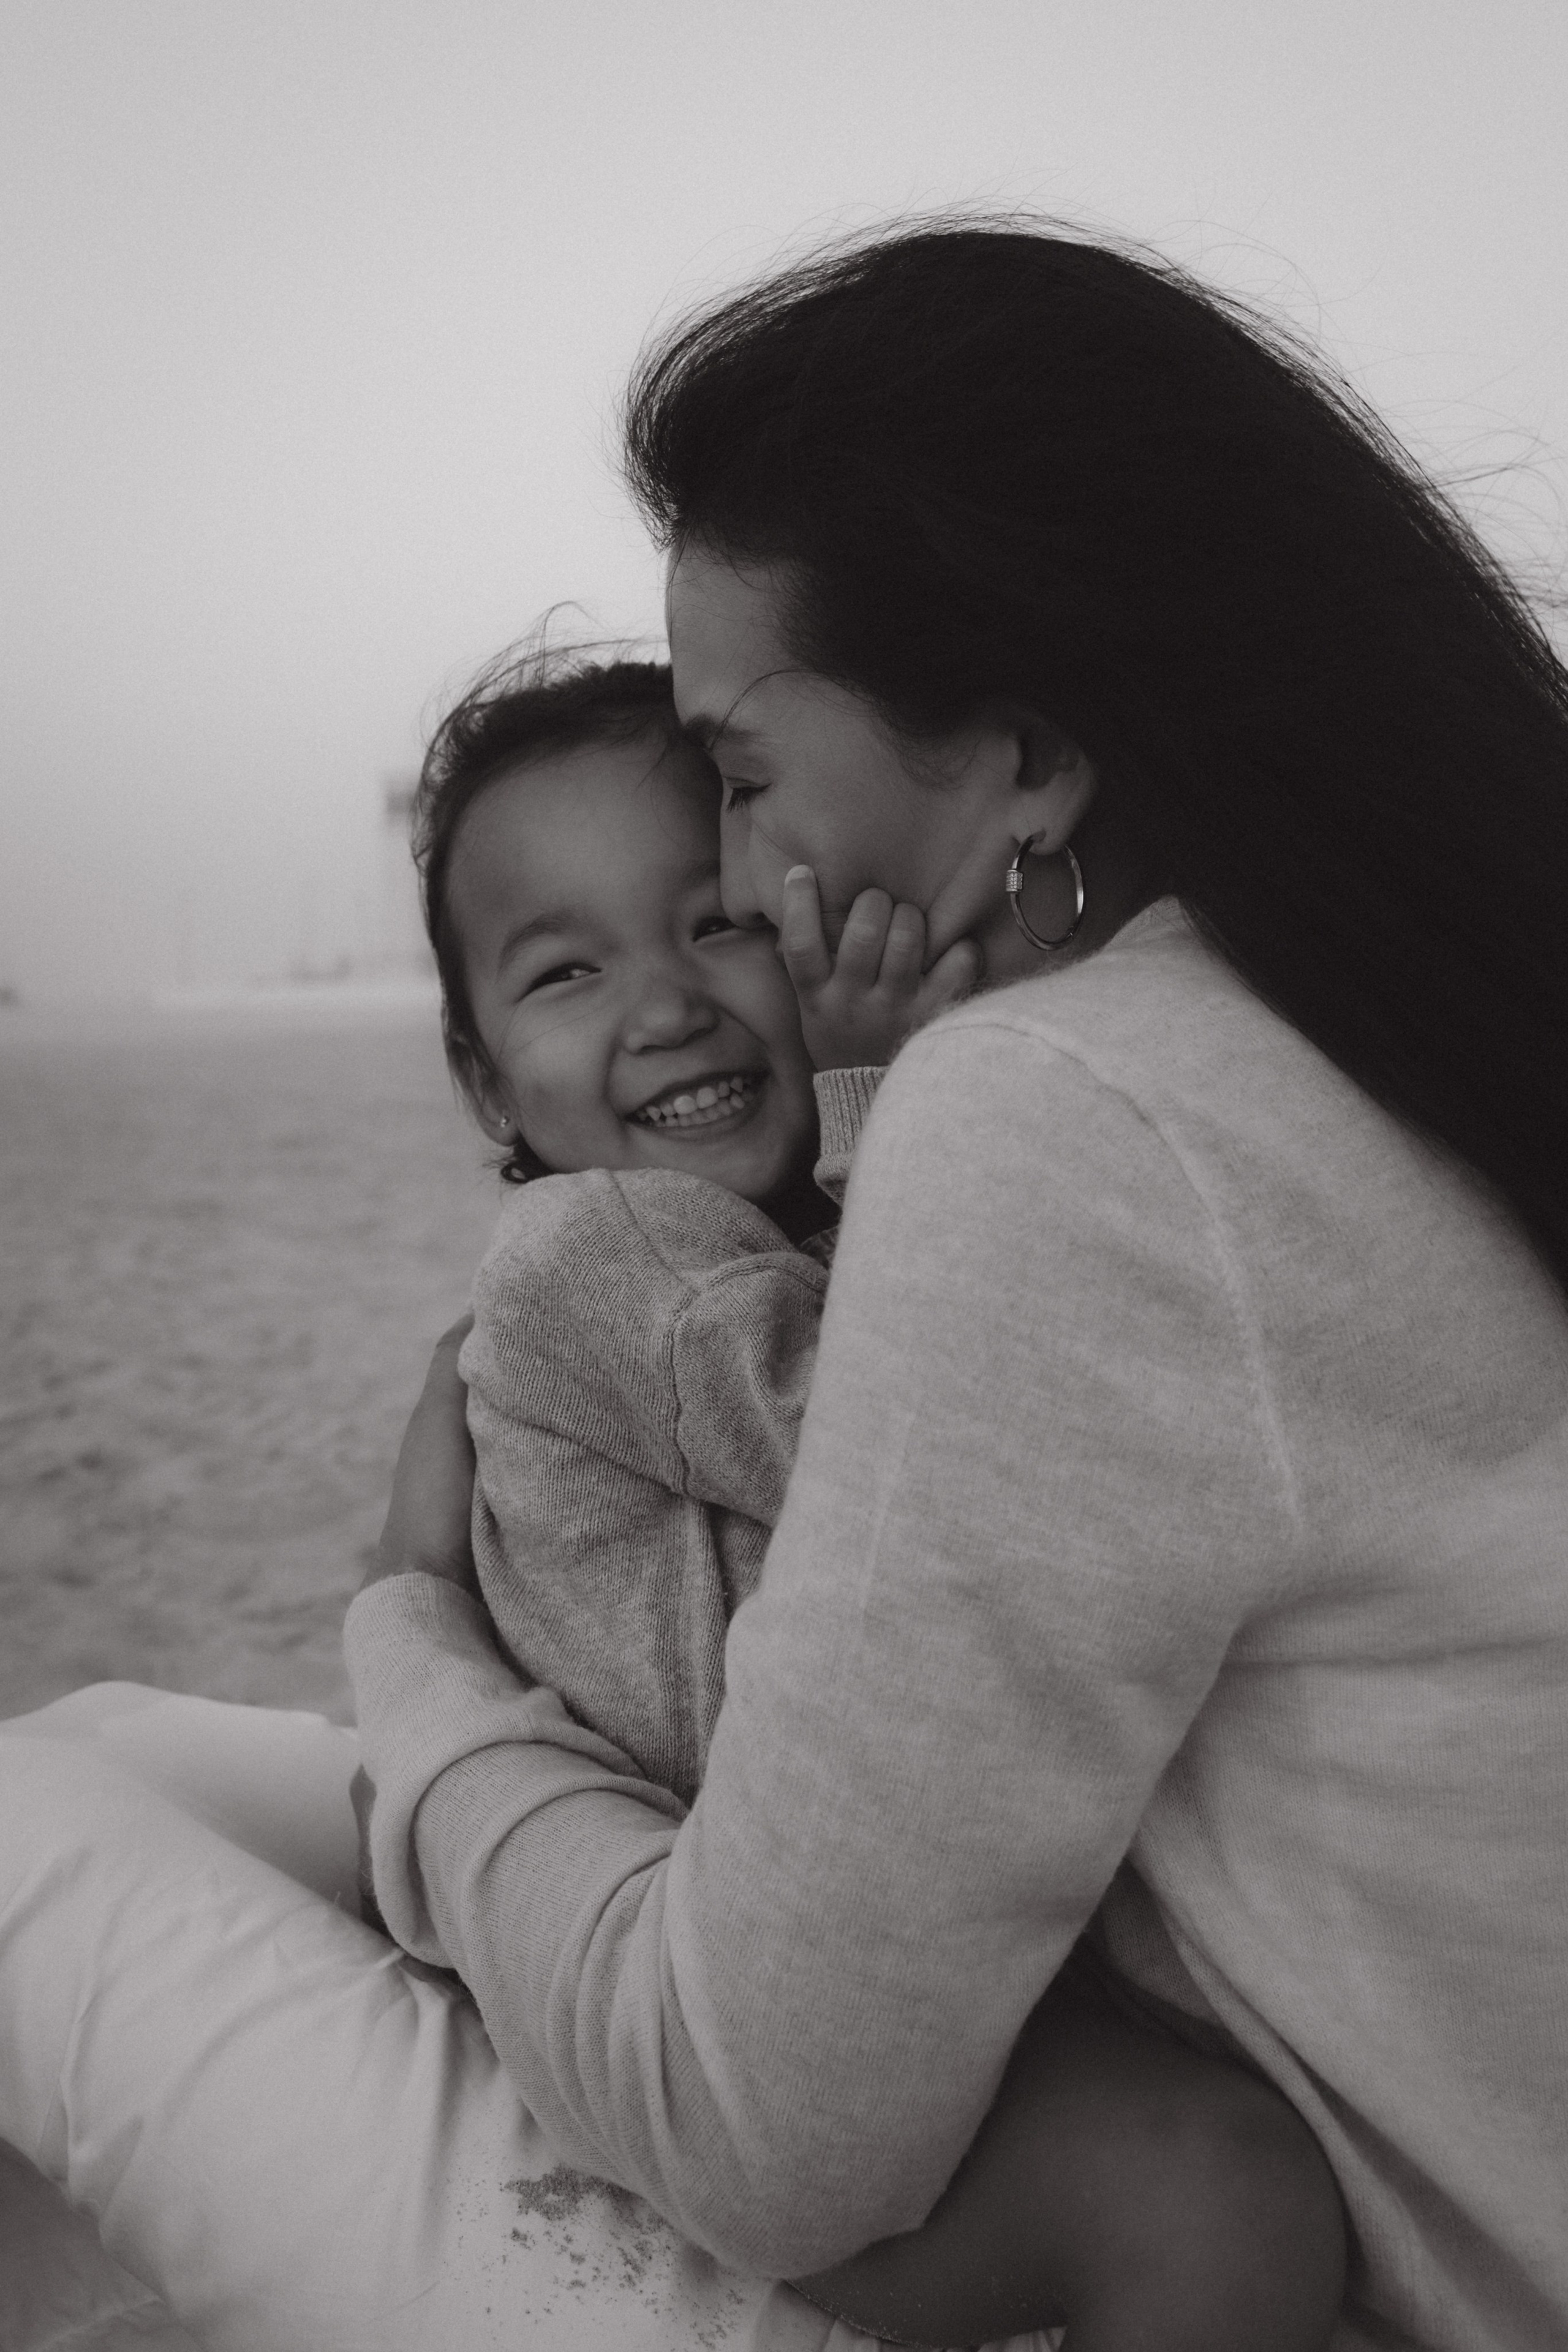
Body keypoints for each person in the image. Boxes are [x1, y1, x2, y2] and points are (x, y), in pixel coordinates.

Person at [2, 217, 1564, 2351]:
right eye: (575, 957)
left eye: (737, 785)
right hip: (890, 1943)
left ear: (1020, 757)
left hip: (973, 2127)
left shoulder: (1068, 1123)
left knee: (37, 1814)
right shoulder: (1402, 998)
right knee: (114, 1744)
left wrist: (412, 1637)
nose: (736, 897)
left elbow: (772, 2136)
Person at [360, 639, 1346, 2346]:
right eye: (564, 972)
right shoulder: (598, 1256)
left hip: (883, 1957)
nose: (665, 1000)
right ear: (483, 1082)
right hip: (718, 2005)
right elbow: (905, 1442)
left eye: (716, 920)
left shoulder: (751, 1233)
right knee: (1213, 2204)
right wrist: (906, 1097)